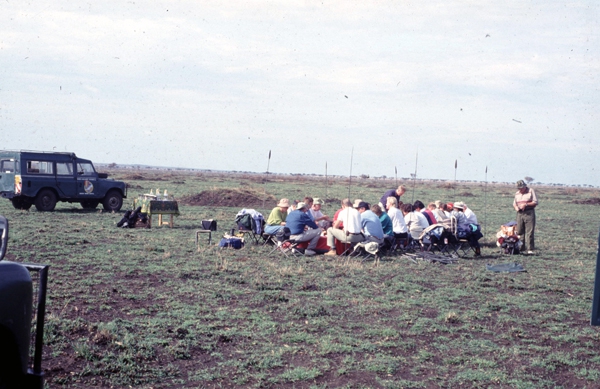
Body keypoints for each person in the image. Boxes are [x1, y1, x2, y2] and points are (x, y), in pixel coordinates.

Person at [513, 180, 538, 254]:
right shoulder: (517, 194)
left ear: (525, 186)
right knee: (520, 231)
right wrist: (516, 208)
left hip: (529, 213)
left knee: (529, 231)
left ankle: (530, 249)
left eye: (521, 188)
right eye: (519, 188)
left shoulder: (531, 191)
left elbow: (535, 202)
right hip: (520, 213)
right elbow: (514, 203)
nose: (520, 190)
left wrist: (526, 204)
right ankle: (521, 248)